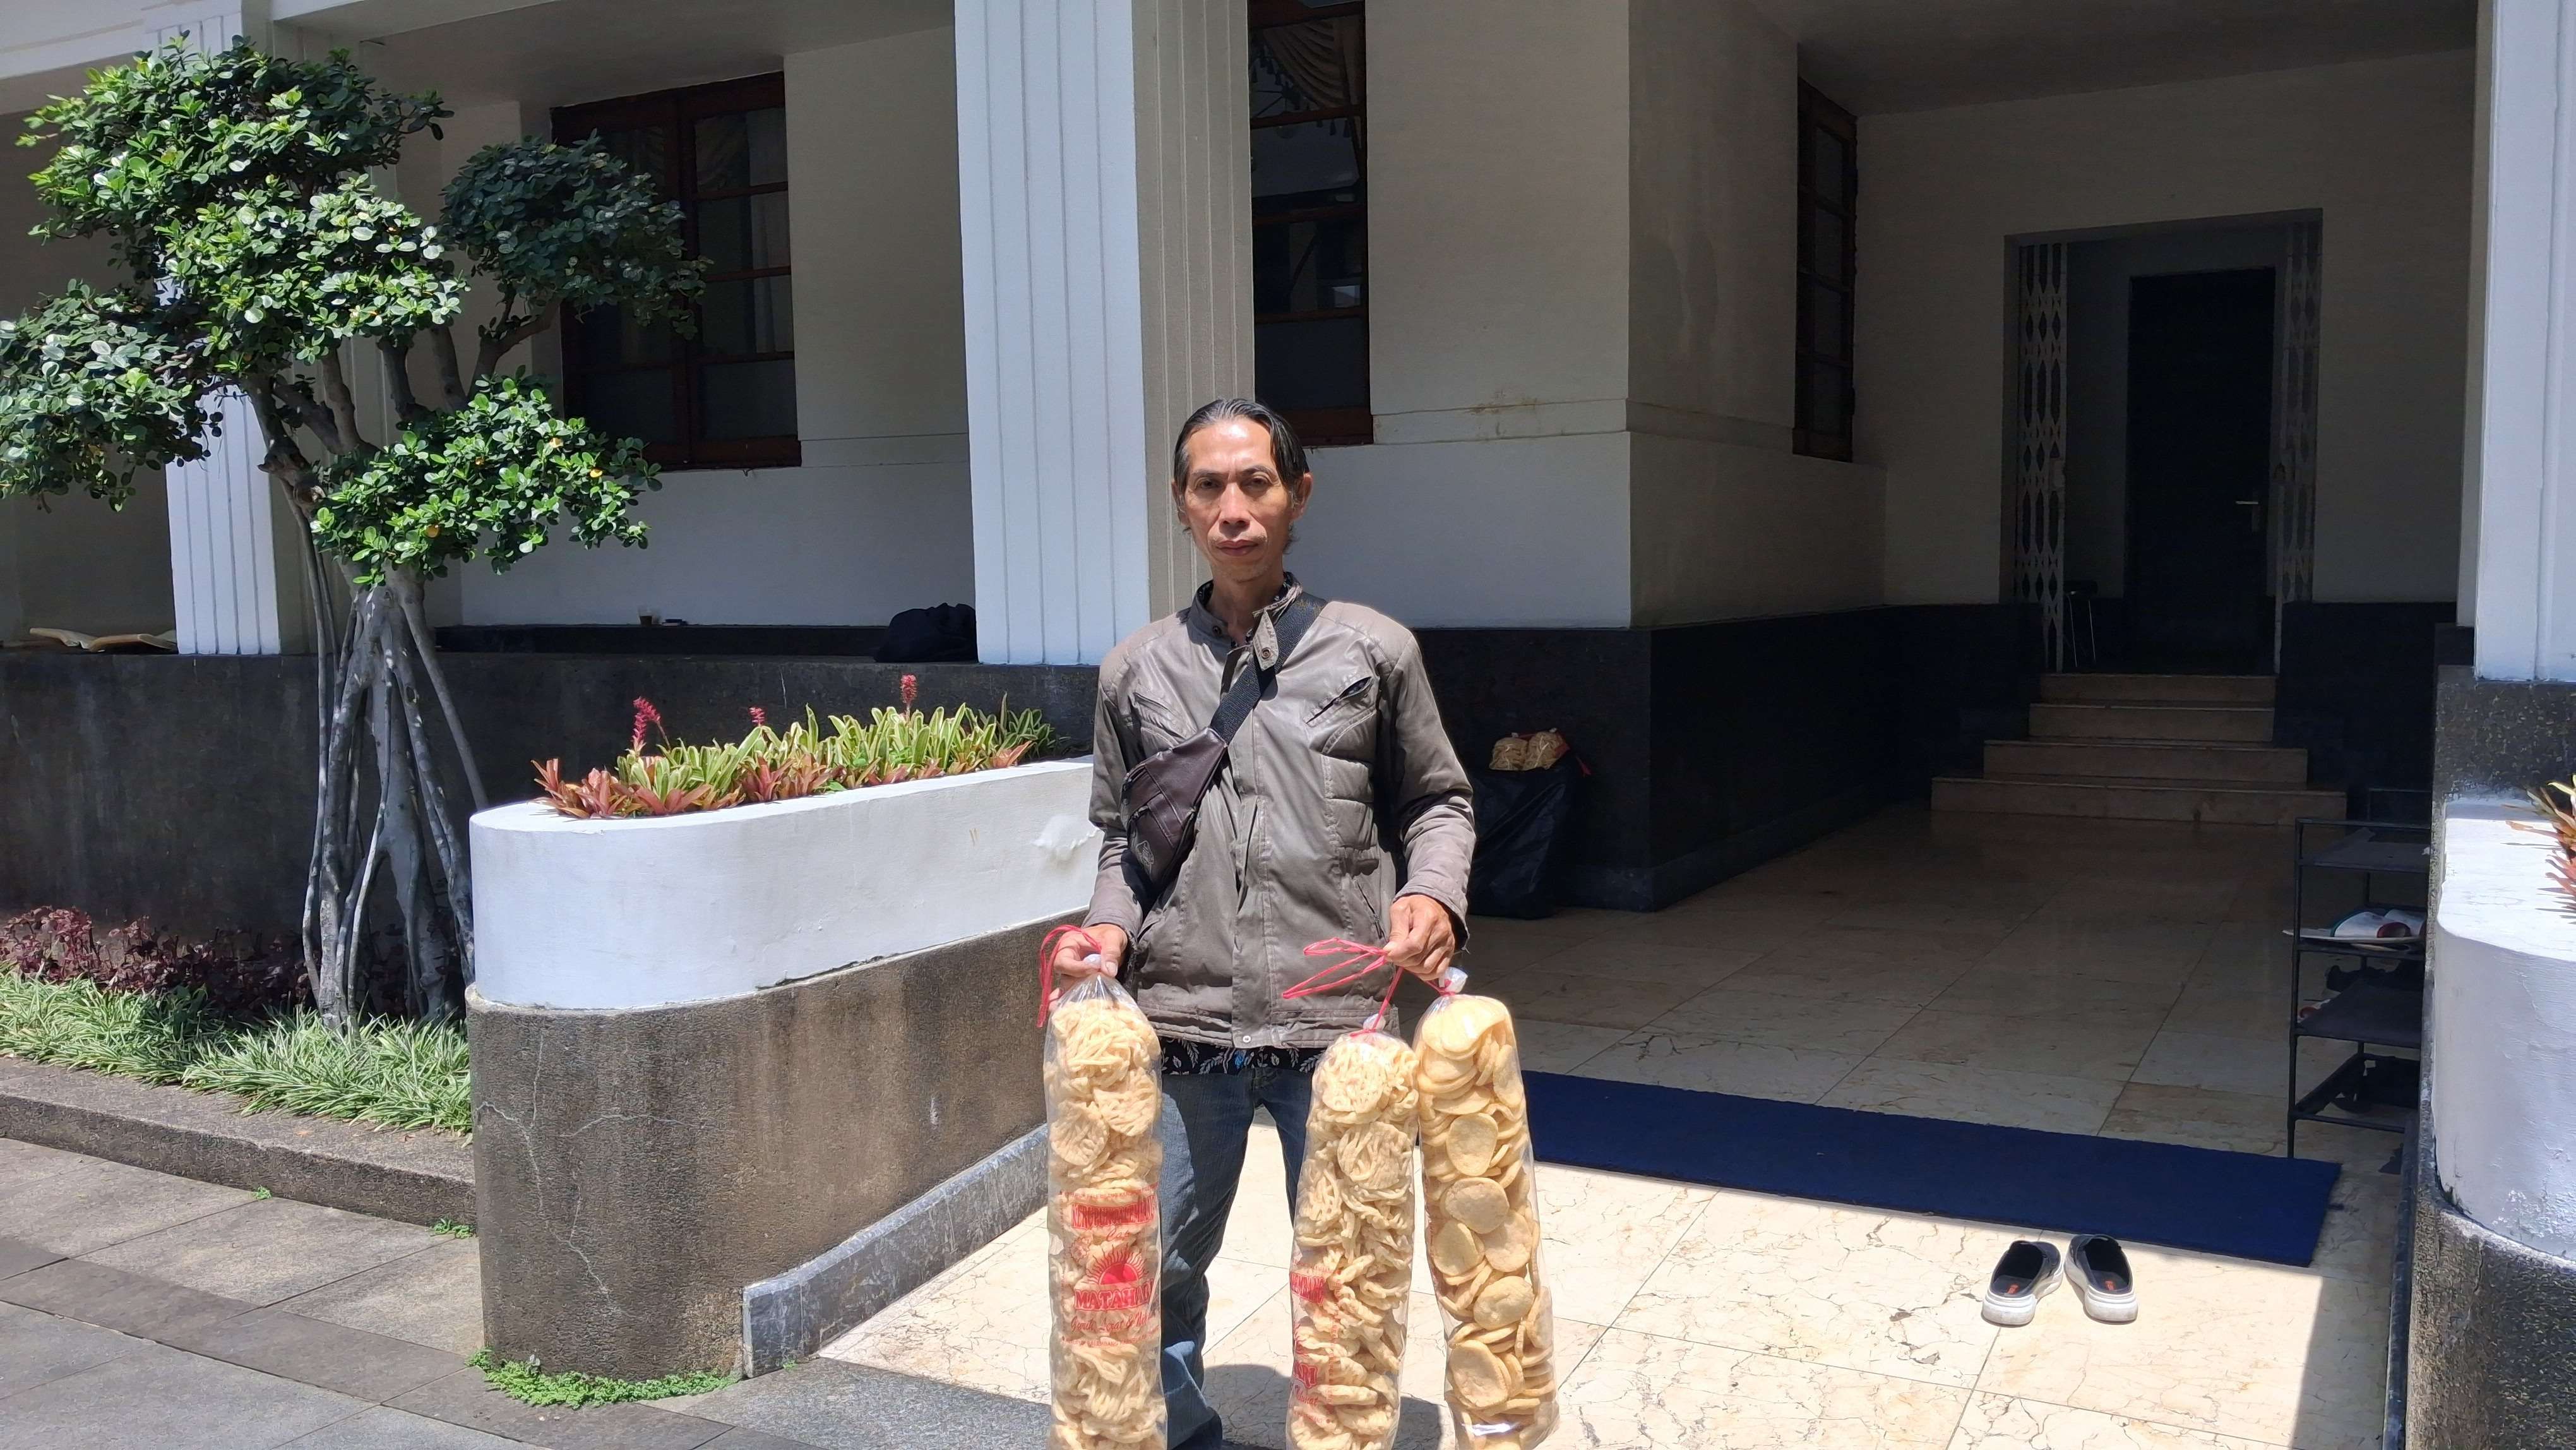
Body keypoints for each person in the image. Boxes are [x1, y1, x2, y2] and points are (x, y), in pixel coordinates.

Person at [1046, 397, 1477, 1449]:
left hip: (1338, 1029)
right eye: (1209, 487)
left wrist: (1434, 895)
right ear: (1181, 504)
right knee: (1150, 1261)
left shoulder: (1372, 650)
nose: (1232, 509)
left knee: (1351, 1267)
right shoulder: (1136, 670)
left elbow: (1439, 802)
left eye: (1256, 483)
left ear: (1298, 495)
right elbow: (1124, 840)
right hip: (1182, 1021)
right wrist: (1107, 931)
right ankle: (1180, 1429)